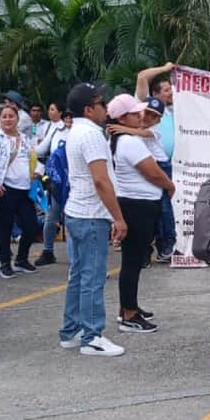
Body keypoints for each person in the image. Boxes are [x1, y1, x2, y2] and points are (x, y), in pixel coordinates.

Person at [58, 83, 128, 357]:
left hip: (77, 212)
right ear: (89, 109)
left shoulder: (75, 131)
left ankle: (72, 330)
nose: (106, 108)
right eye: (101, 104)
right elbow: (101, 180)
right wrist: (118, 218)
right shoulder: (92, 135)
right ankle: (92, 335)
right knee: (92, 277)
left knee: (78, 275)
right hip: (91, 215)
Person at [104, 95, 175, 331]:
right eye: (135, 114)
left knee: (132, 260)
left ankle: (128, 306)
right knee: (133, 261)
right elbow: (152, 171)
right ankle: (129, 315)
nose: (140, 117)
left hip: (134, 202)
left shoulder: (119, 140)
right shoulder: (129, 141)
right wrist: (169, 185)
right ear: (122, 118)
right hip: (139, 204)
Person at [0, 104, 40, 279]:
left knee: (31, 226)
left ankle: (21, 259)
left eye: (11, 116)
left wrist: (37, 171)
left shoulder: (25, 138)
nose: (8, 119)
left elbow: (33, 158)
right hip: (5, 189)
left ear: (17, 118)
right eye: (4, 116)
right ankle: (5, 263)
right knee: (5, 228)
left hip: (25, 189)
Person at [135, 63, 177, 261]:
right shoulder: (143, 105)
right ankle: (152, 247)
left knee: (163, 207)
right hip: (145, 166)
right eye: (167, 89)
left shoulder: (166, 112)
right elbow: (142, 75)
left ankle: (166, 245)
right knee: (152, 207)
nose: (171, 93)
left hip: (164, 165)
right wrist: (165, 67)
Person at [34, 106, 71, 267]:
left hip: (76, 182)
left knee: (72, 221)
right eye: (67, 117)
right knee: (51, 217)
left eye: (72, 117)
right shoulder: (56, 130)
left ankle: (76, 258)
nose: (69, 120)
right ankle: (48, 251)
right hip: (57, 182)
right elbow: (40, 150)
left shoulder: (85, 132)